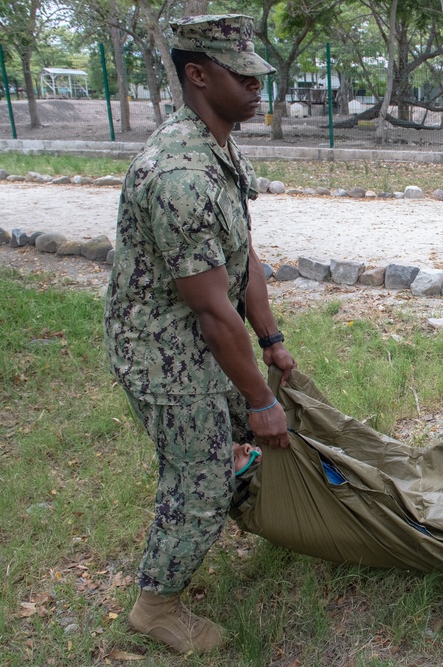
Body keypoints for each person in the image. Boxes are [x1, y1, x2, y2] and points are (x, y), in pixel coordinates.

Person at [103, 14, 296, 653]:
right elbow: (214, 314)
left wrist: (271, 342)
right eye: (241, 77)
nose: (256, 87)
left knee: (233, 447)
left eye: (255, 75)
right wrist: (262, 403)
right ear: (197, 74)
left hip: (200, 340)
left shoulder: (215, 144)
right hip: (164, 354)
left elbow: (243, 261)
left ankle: (247, 519)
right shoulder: (180, 174)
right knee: (201, 477)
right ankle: (155, 607)